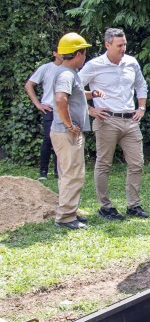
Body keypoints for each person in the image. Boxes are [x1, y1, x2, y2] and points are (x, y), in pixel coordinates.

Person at [80, 28, 149, 221]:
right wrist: (90, 110)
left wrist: (141, 107)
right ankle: (105, 207)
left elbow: (141, 85)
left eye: (125, 44)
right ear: (107, 45)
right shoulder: (94, 66)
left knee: (137, 163)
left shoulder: (131, 62)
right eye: (119, 45)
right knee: (104, 164)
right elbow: (73, 89)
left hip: (130, 120)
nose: (123, 48)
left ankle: (133, 205)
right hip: (106, 120)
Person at [50, 33, 97, 230]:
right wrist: (69, 125)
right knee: (73, 173)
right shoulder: (66, 74)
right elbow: (61, 99)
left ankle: (68, 211)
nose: (85, 57)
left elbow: (74, 94)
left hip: (64, 132)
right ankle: (66, 217)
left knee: (69, 173)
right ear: (78, 54)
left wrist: (91, 94)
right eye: (84, 53)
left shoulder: (68, 73)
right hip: (66, 133)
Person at [24, 48, 63, 180]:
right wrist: (38, 104)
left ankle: (59, 172)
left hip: (64, 110)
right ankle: (43, 172)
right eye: (61, 51)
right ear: (54, 53)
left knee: (62, 140)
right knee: (48, 139)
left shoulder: (70, 68)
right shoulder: (46, 68)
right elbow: (29, 85)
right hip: (50, 109)